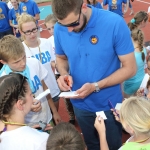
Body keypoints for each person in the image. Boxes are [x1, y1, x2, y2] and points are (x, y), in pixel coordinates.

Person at [51, 0, 136, 150]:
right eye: (64, 26)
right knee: (92, 145)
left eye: (73, 24)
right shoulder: (60, 27)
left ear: (83, 6)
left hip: (109, 106)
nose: (69, 30)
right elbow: (61, 57)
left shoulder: (114, 23)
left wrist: (96, 86)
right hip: (80, 105)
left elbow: (130, 68)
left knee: (112, 145)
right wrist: (63, 73)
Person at [0, 35, 61, 127]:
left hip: (47, 117)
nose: (23, 63)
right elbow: (7, 114)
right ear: (4, 62)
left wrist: (55, 111)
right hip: (28, 125)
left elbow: (45, 88)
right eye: (16, 62)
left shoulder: (34, 63)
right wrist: (27, 108)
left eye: (24, 57)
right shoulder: (4, 81)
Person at [17, 13, 61, 111]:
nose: (32, 34)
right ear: (21, 32)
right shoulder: (20, 50)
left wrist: (60, 67)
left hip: (52, 88)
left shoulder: (46, 42)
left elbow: (52, 62)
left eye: (34, 29)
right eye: (28, 32)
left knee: (55, 116)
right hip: (35, 93)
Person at [0, 73, 49, 150]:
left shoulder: (3, 133)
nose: (33, 96)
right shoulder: (42, 141)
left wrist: (30, 130)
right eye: (30, 94)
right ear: (20, 104)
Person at [45, 14, 76, 124]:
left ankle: (78, 113)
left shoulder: (66, 35)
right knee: (66, 96)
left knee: (76, 92)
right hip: (60, 73)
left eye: (53, 27)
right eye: (48, 28)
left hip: (72, 71)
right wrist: (56, 65)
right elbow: (51, 60)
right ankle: (71, 116)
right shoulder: (47, 42)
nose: (52, 30)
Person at [123, 29, 147, 98]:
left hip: (130, 84)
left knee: (128, 102)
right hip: (141, 81)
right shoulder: (143, 49)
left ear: (131, 38)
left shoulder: (131, 54)